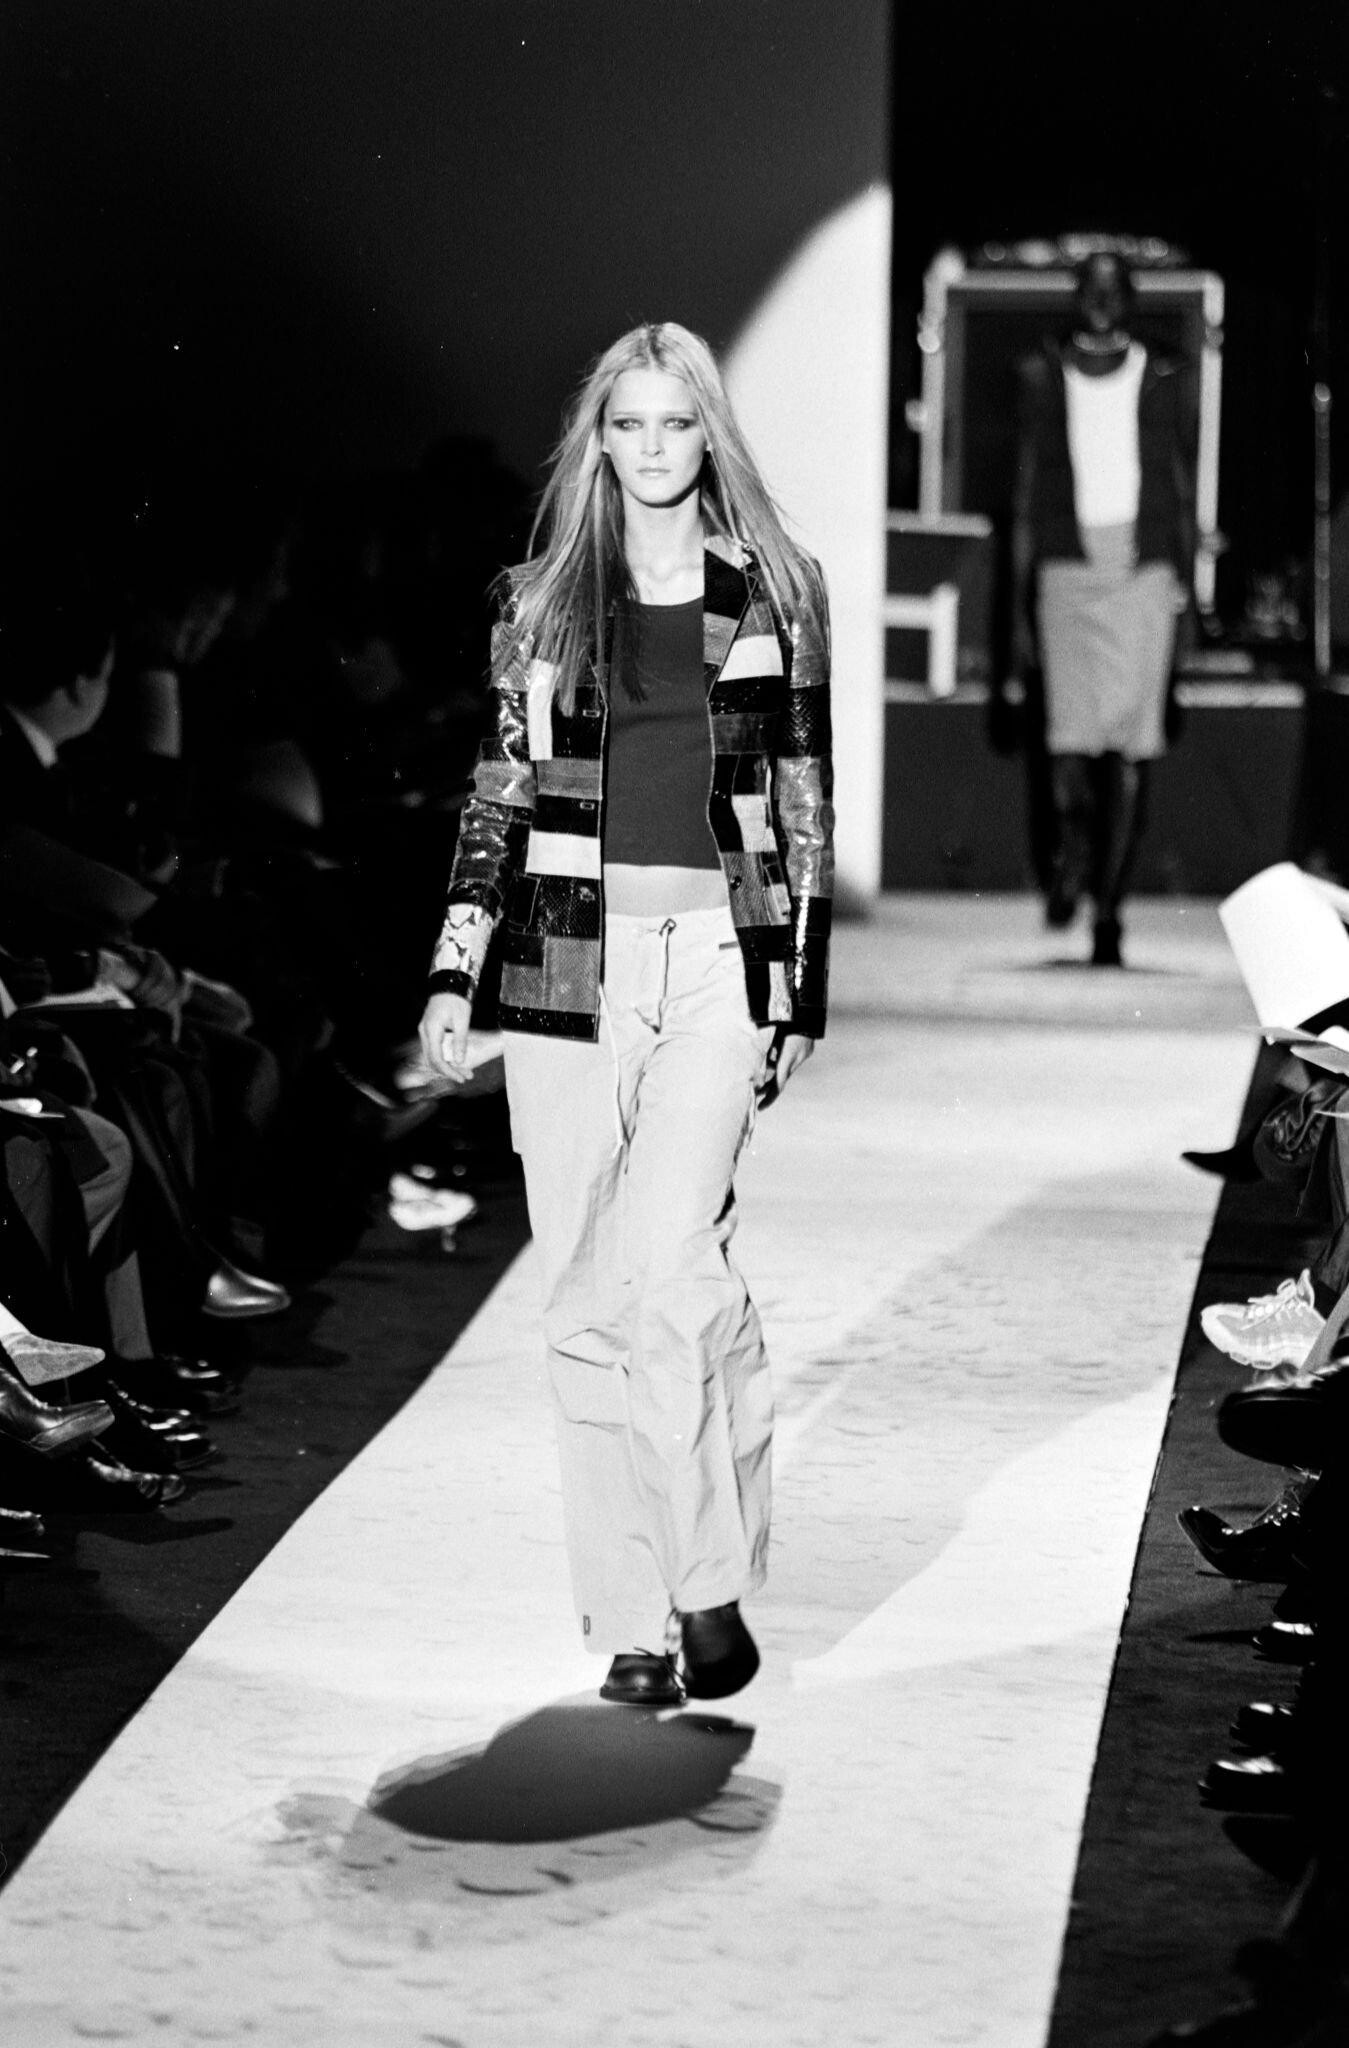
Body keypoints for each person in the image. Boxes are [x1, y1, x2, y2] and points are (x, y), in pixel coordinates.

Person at [419, 321, 833, 1706]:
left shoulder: (775, 589)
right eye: (629, 424)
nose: (653, 448)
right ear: (596, 440)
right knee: (586, 1302)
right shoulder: (540, 604)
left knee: (673, 1274)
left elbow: (801, 797)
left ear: (709, 434)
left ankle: (704, 1585)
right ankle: (634, 1624)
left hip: (716, 957)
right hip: (560, 968)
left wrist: (793, 989)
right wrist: (453, 968)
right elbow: (498, 793)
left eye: (676, 422)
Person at [1012, 251, 1196, 966]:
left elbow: (1179, 484)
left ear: (1131, 299)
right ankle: (1076, 850)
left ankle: (1110, 911)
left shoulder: (1161, 376)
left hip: (1141, 566)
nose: (1100, 299)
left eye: (1114, 289)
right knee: (1068, 742)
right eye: (1089, 288)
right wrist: (1022, 601)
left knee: (1130, 747)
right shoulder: (1042, 375)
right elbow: (1027, 490)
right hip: (1067, 563)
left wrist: (1186, 591)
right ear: (1074, 297)